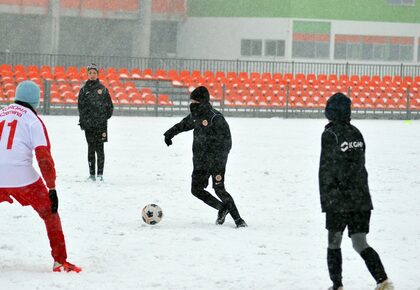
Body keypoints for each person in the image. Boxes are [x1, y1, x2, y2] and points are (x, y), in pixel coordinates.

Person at [0, 81, 81, 273]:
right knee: (50, 214)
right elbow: (43, 156)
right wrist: (51, 188)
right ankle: (60, 262)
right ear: (35, 101)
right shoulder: (33, 120)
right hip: (22, 176)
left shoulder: (2, 112)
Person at [319, 93, 393, 290]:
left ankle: (337, 285)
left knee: (334, 242)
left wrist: (328, 200)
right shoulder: (357, 133)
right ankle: (383, 281)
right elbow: (359, 164)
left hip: (339, 199)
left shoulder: (330, 134)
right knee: (360, 243)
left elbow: (326, 170)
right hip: (360, 198)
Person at [164, 86, 247, 228]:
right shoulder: (196, 116)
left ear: (202, 101)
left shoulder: (216, 117)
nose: (192, 104)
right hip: (200, 162)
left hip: (216, 162)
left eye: (195, 101)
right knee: (196, 190)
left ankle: (239, 220)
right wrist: (169, 133)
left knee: (219, 189)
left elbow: (227, 142)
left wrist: (217, 160)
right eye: (191, 101)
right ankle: (222, 208)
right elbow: (183, 125)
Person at [78, 63, 113, 181]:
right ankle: (92, 174)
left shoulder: (103, 89)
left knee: (100, 149)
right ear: (87, 74)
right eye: (90, 73)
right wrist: (83, 121)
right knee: (90, 148)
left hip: (101, 125)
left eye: (94, 73)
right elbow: (81, 108)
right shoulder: (83, 90)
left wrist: (103, 118)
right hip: (89, 125)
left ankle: (100, 174)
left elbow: (109, 106)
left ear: (97, 74)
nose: (92, 75)